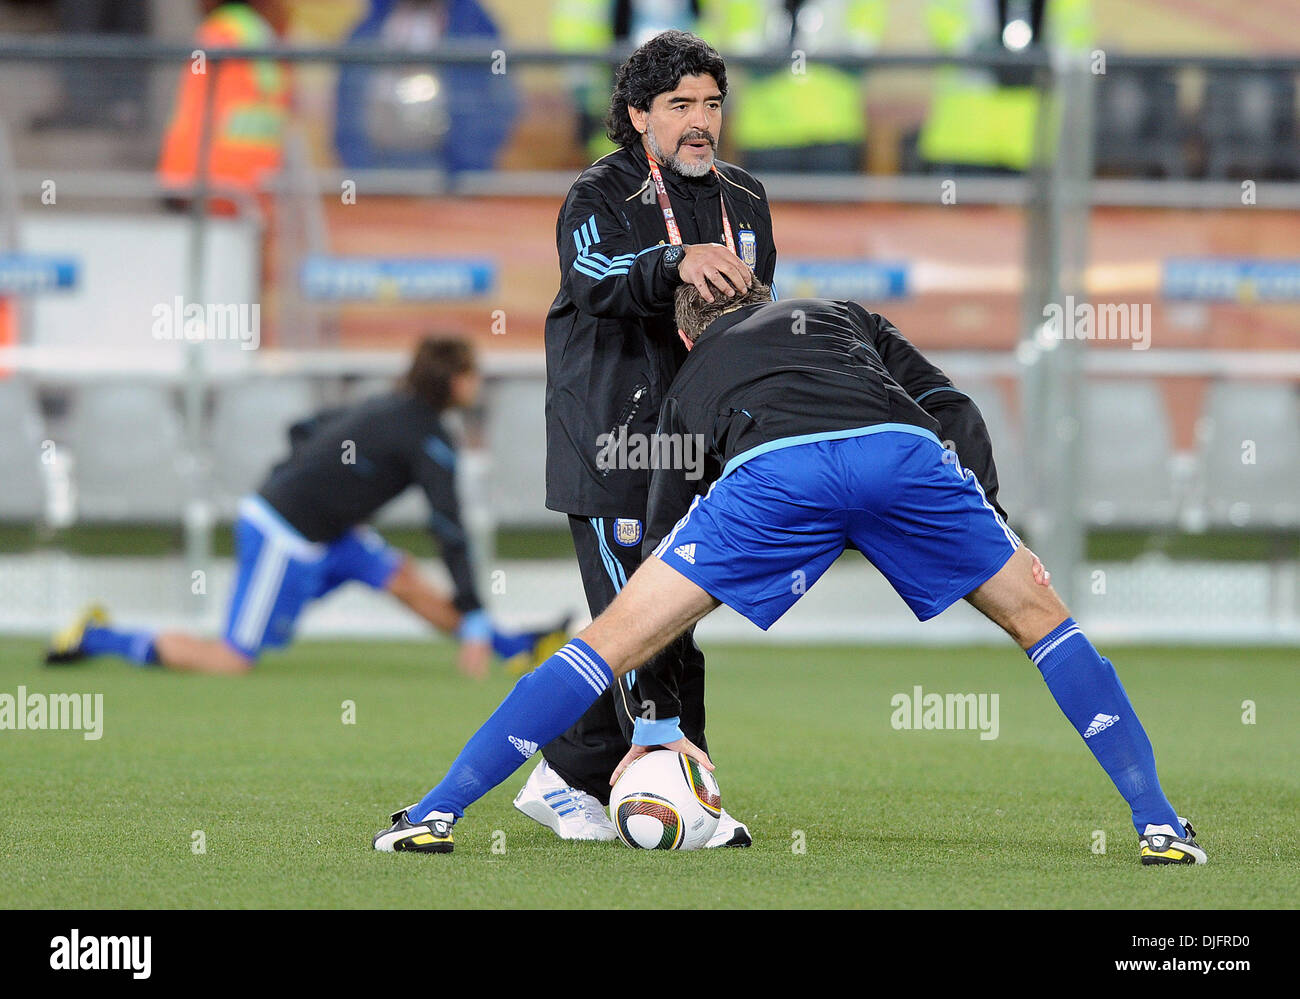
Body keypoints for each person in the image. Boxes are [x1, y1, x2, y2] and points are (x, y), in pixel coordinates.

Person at [374, 286, 1207, 867]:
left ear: (689, 332)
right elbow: (952, 404)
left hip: (778, 472)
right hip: (903, 453)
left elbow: (663, 522)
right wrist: (986, 520)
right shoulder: (842, 314)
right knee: (1046, 625)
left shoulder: (690, 374)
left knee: (608, 640)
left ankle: (433, 813)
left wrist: (656, 710)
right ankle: (1160, 823)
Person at [512, 30, 776, 847]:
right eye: (679, 107)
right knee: (647, 621)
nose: (701, 122)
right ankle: (686, 803)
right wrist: (674, 261)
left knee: (666, 618)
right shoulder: (600, 192)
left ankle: (564, 772)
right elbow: (593, 283)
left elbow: (753, 314)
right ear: (638, 114)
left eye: (711, 105)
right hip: (611, 442)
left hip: (695, 444)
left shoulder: (747, 195)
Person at [46, 337, 566, 678]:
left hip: (332, 531)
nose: (477, 383)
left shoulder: (387, 407)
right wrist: (472, 611)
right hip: (283, 534)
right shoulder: (428, 439)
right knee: (231, 660)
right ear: (454, 382)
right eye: (473, 374)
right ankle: (97, 637)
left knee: (403, 578)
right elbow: (448, 529)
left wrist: (322, 488)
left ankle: (518, 646)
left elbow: (304, 430)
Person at [157, 1, 292, 216]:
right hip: (252, 183)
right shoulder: (259, 33)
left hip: (205, 180)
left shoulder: (219, 31)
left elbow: (196, 107)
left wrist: (176, 176)